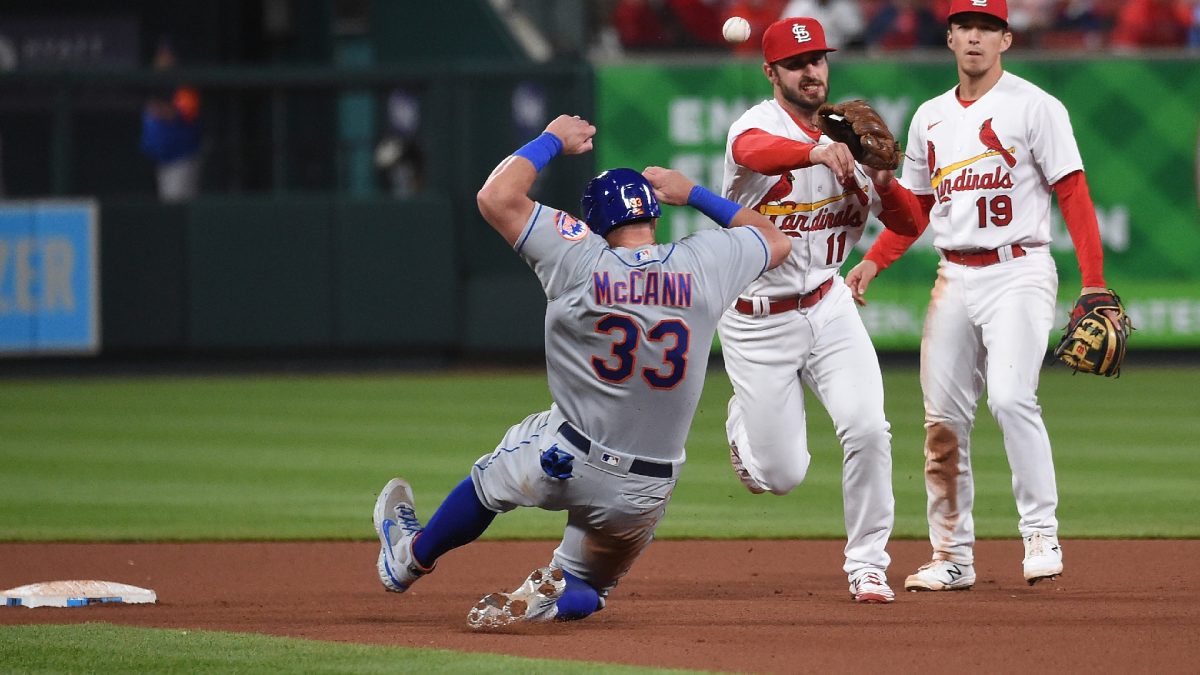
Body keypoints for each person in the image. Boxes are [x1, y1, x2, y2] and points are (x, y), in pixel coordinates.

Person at [372, 113, 790, 628]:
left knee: (488, 484)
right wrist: (696, 193)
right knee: (590, 587)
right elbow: (776, 240)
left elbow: (496, 197)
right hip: (646, 486)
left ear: (592, 224)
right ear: (655, 217)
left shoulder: (579, 256)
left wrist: (551, 140)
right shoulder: (705, 261)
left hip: (564, 456)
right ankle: (552, 598)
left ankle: (409, 558)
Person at [845, 0, 1119, 591]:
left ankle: (1040, 533)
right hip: (954, 274)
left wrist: (1094, 280)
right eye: (965, 27)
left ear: (1006, 40)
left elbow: (1073, 192)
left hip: (1020, 270)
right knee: (942, 424)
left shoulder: (1035, 106)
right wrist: (873, 259)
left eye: (987, 28)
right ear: (949, 38)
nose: (975, 37)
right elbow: (916, 211)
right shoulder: (930, 117)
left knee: (1012, 398)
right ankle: (952, 556)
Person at [717, 16, 922, 605]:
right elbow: (754, 152)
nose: (811, 71)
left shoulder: (849, 136)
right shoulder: (756, 126)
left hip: (829, 305)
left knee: (869, 428)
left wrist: (884, 180)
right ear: (771, 72)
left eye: (818, 60)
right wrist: (816, 151)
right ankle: (743, 422)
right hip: (756, 317)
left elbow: (910, 223)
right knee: (781, 476)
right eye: (796, 64)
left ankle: (868, 565)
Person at [139, 39, 202, 202]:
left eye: (167, 56)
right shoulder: (156, 84)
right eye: (160, 56)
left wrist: (158, 109)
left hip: (181, 157)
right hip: (162, 158)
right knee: (167, 204)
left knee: (178, 203)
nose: (163, 61)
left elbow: (183, 114)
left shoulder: (184, 86)